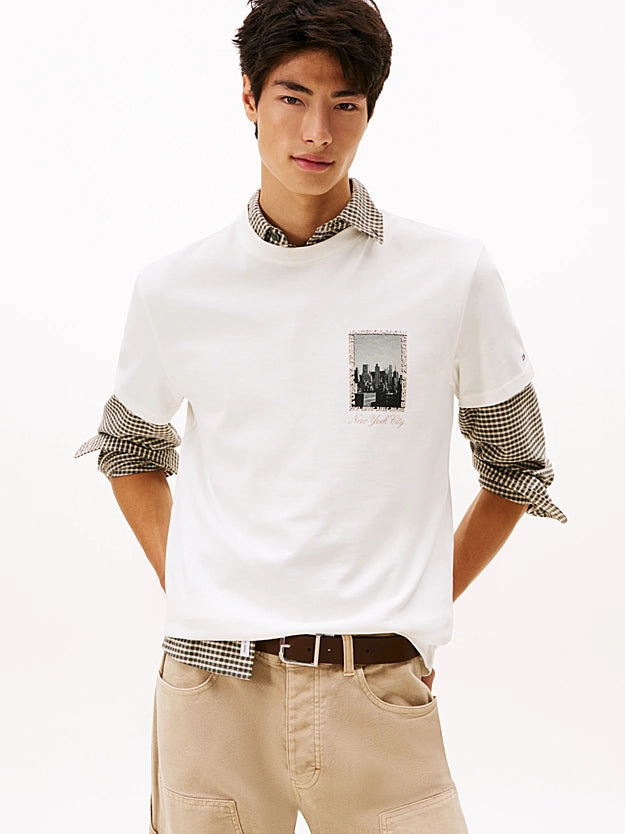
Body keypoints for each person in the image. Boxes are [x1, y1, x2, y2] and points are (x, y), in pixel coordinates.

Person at [75, 1, 566, 831]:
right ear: (248, 96)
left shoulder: (450, 274)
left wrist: (410, 616)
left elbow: (515, 467)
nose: (317, 131)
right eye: (292, 97)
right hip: (210, 690)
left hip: (376, 693)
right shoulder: (176, 288)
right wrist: (195, 584)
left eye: (344, 104)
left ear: (370, 110)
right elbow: (129, 450)